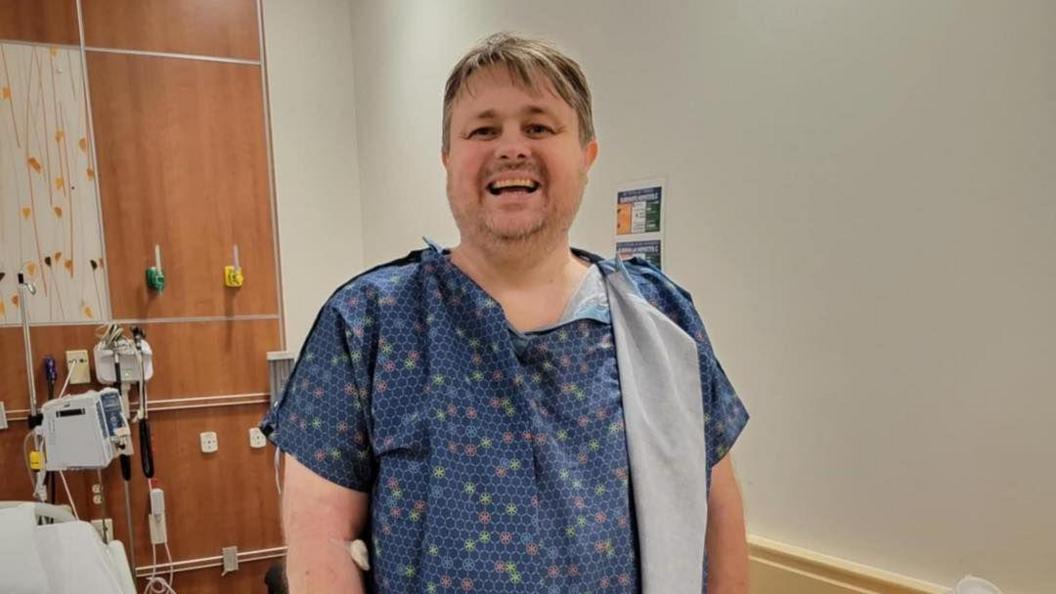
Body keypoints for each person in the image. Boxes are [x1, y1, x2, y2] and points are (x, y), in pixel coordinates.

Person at [261, 32, 749, 594]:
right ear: (448, 159)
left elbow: (718, 514)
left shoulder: (663, 320)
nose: (512, 148)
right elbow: (321, 541)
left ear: (586, 156)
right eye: (483, 130)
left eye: (539, 127)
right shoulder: (369, 324)